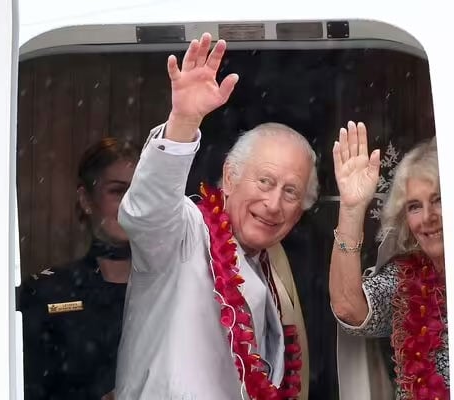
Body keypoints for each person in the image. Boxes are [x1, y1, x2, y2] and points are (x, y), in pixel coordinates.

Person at [114, 33, 317, 400]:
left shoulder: (271, 268)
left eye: (290, 192)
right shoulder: (187, 234)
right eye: (265, 181)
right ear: (229, 177)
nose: (273, 204)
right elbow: (146, 212)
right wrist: (183, 123)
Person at [328, 122, 449, 400]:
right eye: (415, 206)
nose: (428, 217)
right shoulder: (406, 282)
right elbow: (349, 309)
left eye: (439, 200)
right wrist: (352, 208)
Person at [18, 137, 139, 400]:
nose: (131, 204)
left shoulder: (170, 290)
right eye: (118, 191)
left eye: (140, 192)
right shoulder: (46, 293)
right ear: (86, 199)